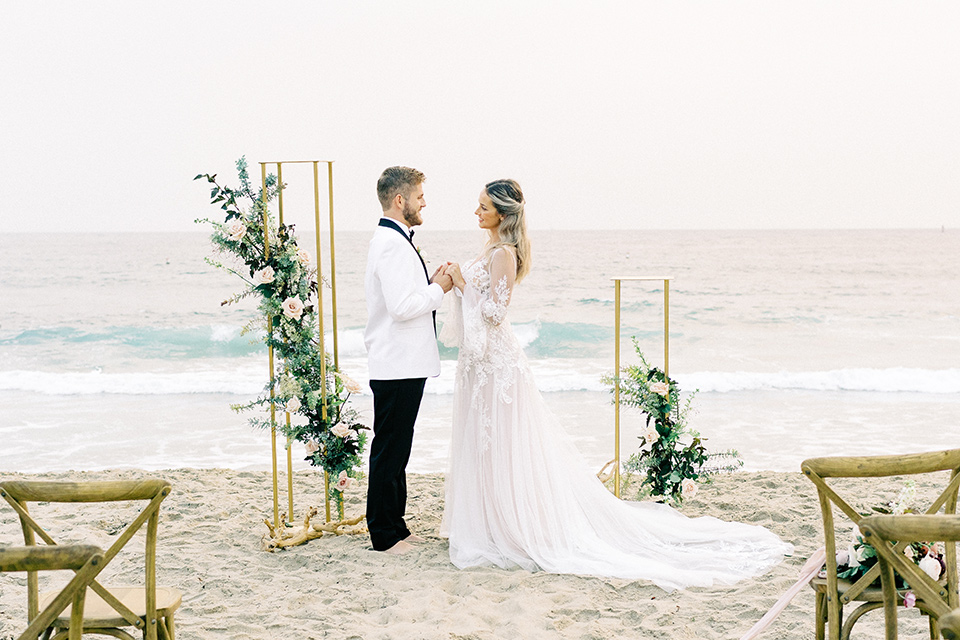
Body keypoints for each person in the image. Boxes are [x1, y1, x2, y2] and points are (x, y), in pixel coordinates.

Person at [438, 179, 791, 590]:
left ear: (501, 212)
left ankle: (507, 526)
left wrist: (461, 282)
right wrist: (452, 277)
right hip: (480, 366)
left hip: (497, 368)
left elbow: (496, 313)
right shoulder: (488, 249)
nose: (476, 212)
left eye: (482, 206)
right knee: (485, 444)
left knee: (501, 444)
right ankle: (487, 521)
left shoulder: (505, 253)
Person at [364, 166, 453, 555]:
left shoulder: (395, 240)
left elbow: (402, 295)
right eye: (419, 196)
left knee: (398, 448)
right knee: (390, 449)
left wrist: (427, 283)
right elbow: (402, 308)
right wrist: (439, 289)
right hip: (397, 363)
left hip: (402, 363)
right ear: (400, 200)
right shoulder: (391, 243)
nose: (424, 202)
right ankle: (384, 535)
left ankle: (396, 527)